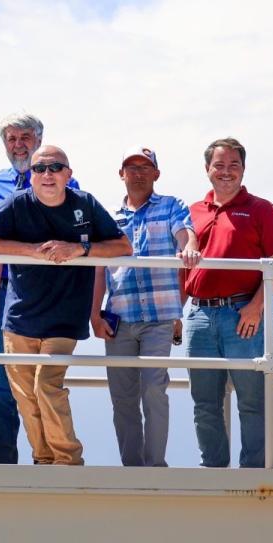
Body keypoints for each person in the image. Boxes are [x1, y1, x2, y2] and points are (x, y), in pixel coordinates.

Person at [0, 145, 131, 465]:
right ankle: (44, 461)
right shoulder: (18, 203)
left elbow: (123, 246)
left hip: (64, 320)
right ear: (31, 176)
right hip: (20, 319)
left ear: (68, 174)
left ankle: (68, 461)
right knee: (26, 398)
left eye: (55, 168)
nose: (47, 174)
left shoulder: (84, 203)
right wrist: (30, 250)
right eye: (39, 168)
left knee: (46, 385)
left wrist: (78, 249)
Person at [183, 138, 273, 469]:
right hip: (198, 315)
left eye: (234, 165)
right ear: (207, 169)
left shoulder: (261, 209)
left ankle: (253, 472)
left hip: (242, 313)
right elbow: (184, 267)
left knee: (252, 399)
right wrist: (176, 314)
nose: (226, 171)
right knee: (204, 401)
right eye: (219, 165)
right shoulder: (192, 212)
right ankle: (213, 469)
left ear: (243, 169)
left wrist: (256, 307)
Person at [90, 146, 200, 467]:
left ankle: (154, 468)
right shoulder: (108, 215)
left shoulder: (171, 205)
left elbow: (185, 233)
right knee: (122, 396)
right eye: (131, 167)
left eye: (145, 167)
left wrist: (190, 248)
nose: (138, 173)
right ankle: (132, 469)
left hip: (159, 317)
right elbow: (98, 268)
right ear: (121, 174)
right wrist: (94, 314)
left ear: (156, 174)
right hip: (119, 317)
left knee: (154, 388)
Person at [0, 113, 78, 464]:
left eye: (25, 137)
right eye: (12, 138)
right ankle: (3, 459)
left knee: (45, 383)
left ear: (39, 140)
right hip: (5, 290)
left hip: (48, 293)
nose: (18, 145)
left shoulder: (65, 181)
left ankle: (52, 458)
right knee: (3, 383)